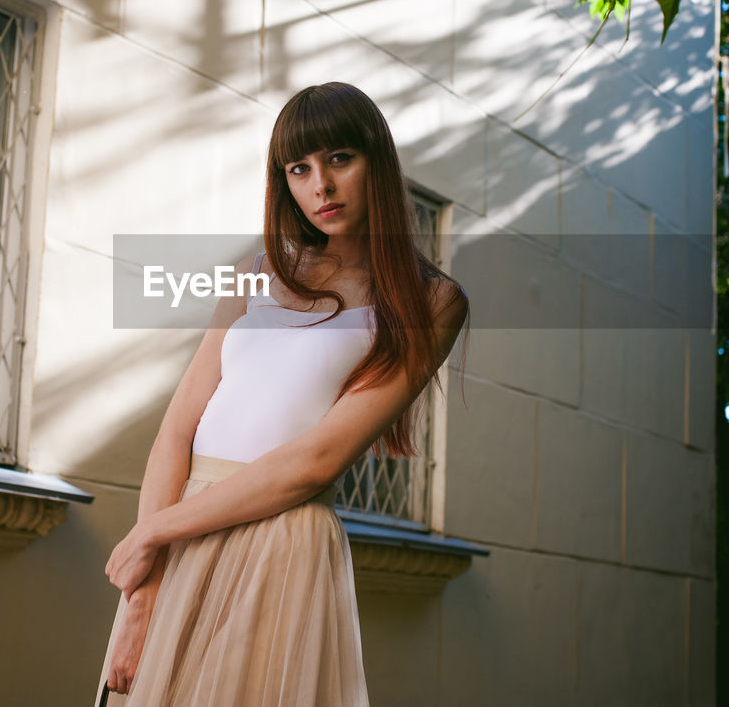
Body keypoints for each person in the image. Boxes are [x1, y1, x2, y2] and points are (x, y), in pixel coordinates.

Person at [96, 82, 469, 706]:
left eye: (339, 159)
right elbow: (178, 429)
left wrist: (152, 535)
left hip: (278, 540)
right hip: (180, 536)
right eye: (300, 168)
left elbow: (317, 460)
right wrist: (146, 588)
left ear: (376, 160)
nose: (320, 185)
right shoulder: (257, 271)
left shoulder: (430, 302)